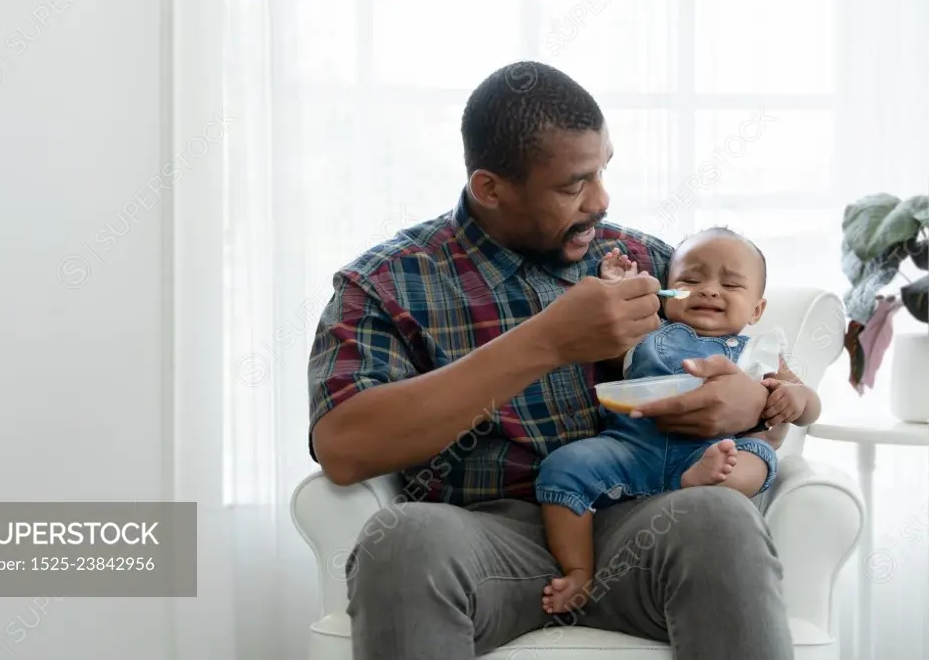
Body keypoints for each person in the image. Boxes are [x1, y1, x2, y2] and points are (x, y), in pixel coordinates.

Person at [307, 61, 796, 660]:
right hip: (485, 540)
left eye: (603, 171)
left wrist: (749, 400)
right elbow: (344, 445)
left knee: (719, 520)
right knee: (402, 539)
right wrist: (546, 342)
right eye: (573, 185)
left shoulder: (647, 260)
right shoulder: (388, 284)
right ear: (490, 188)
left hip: (641, 524)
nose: (602, 200)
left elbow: (764, 368)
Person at [536, 231, 822, 614]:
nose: (709, 290)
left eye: (731, 284)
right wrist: (618, 286)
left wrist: (794, 398)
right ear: (667, 294)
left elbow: (811, 407)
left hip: (717, 453)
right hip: (633, 448)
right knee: (562, 466)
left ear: (756, 310)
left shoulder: (761, 351)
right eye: (690, 281)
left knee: (756, 455)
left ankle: (704, 481)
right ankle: (578, 570)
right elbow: (608, 325)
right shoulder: (647, 332)